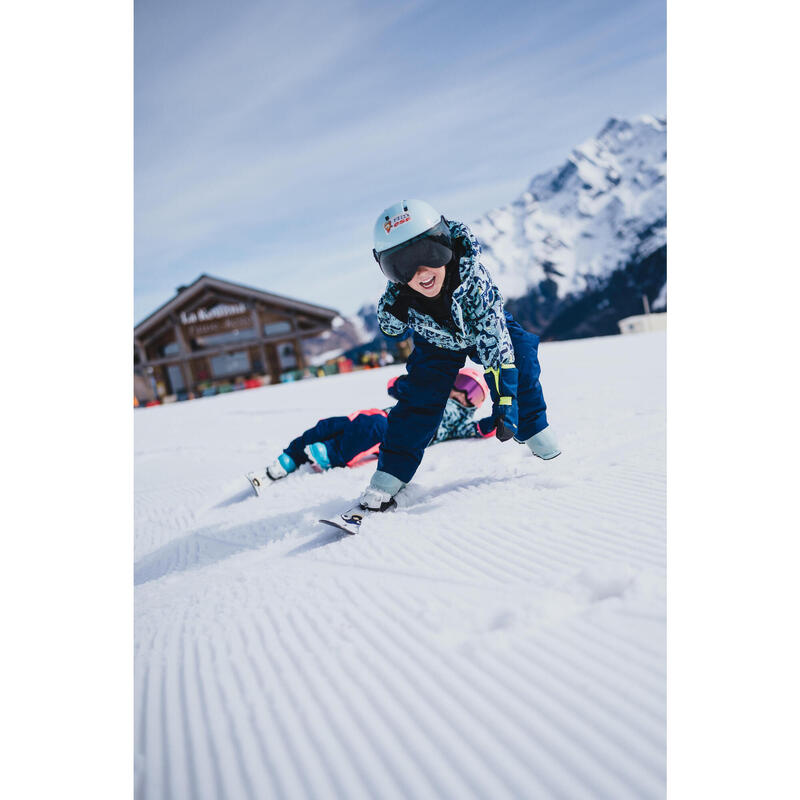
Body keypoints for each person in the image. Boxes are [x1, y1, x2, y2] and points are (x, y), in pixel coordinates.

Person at [355, 198, 561, 514]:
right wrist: (394, 318)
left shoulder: (473, 276)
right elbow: (389, 323)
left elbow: (496, 344)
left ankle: (532, 426)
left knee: (522, 360)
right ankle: (391, 473)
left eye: (430, 254)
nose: (421, 272)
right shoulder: (401, 296)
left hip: (485, 327)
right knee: (418, 401)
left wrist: (505, 403)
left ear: (447, 245)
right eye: (403, 265)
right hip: (435, 342)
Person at [246, 368, 495, 495]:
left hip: (396, 433)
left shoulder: (457, 420)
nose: (463, 395)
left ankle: (331, 456)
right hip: (376, 414)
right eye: (463, 385)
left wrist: (501, 419)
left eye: (473, 395)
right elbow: (394, 387)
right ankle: (289, 459)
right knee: (327, 425)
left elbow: (477, 429)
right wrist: (406, 384)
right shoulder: (429, 393)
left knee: (374, 427)